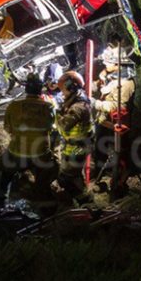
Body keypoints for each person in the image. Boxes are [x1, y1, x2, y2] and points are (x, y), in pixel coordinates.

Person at [0, 73, 54, 202]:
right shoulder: (49, 107)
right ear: (40, 89)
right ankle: (44, 202)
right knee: (45, 178)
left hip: (17, 152)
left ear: (26, 89)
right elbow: (51, 128)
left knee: (2, 170)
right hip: (41, 152)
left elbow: (7, 128)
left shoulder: (14, 106)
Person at [91, 42, 135, 194]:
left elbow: (116, 106)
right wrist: (99, 82)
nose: (105, 64)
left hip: (116, 124)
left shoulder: (126, 83)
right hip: (105, 121)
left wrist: (95, 103)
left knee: (119, 153)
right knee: (100, 148)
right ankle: (102, 174)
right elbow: (105, 88)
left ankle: (118, 182)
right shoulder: (114, 75)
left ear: (118, 64)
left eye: (108, 62)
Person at [51, 70, 93, 203]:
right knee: (75, 176)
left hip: (77, 148)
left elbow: (63, 126)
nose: (62, 93)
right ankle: (85, 200)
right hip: (76, 146)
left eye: (63, 90)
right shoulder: (78, 100)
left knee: (66, 178)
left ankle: (85, 202)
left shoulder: (78, 107)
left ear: (71, 87)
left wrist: (55, 112)